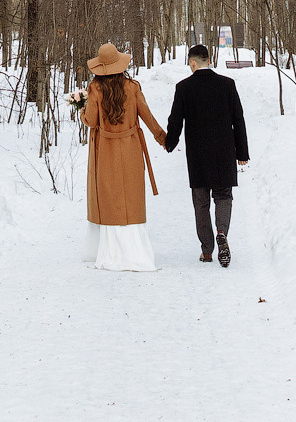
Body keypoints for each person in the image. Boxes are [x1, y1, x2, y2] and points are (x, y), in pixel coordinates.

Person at [78, 42, 166, 272]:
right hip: (130, 148)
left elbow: (91, 121)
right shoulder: (133, 87)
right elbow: (147, 116)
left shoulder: (95, 89)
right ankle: (137, 253)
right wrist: (163, 138)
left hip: (105, 150)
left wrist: (81, 110)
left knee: (110, 198)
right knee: (131, 196)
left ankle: (111, 253)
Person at [163, 43, 249, 266]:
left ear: (192, 63)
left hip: (197, 155)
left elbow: (176, 120)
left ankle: (207, 250)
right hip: (224, 152)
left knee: (201, 202)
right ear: (209, 61)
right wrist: (242, 152)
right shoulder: (227, 85)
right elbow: (238, 119)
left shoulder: (184, 87)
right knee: (223, 196)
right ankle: (222, 232)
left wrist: (169, 142)